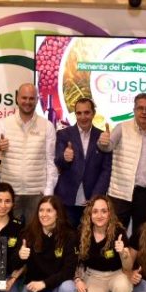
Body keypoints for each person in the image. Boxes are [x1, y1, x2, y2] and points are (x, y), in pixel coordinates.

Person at [98, 93, 146, 236]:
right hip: (120, 193)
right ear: (134, 110)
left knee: (141, 237)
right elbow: (107, 147)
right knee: (115, 235)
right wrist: (102, 142)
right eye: (140, 108)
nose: (144, 112)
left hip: (145, 194)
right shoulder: (122, 128)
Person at [0, 83, 57, 222]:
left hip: (37, 194)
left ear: (37, 100)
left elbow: (50, 162)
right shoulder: (4, 123)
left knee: (34, 234)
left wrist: (48, 193)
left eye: (31, 98)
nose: (27, 102)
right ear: (17, 98)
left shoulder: (47, 126)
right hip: (10, 194)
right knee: (10, 233)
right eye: (24, 98)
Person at [13, 196, 78, 292]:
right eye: (41, 210)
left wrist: (44, 283)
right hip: (33, 286)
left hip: (57, 285)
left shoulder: (69, 235)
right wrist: (20, 256)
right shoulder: (27, 233)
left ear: (58, 213)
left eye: (49, 210)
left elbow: (69, 271)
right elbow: (15, 264)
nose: (44, 214)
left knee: (69, 289)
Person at [74, 196, 133, 292]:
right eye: (95, 212)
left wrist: (123, 253)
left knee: (124, 286)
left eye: (103, 211)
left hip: (116, 274)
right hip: (93, 276)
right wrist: (78, 279)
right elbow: (77, 261)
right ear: (90, 214)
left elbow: (128, 267)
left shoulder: (119, 231)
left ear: (109, 213)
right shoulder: (82, 232)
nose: (99, 215)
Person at [54, 98, 112, 228]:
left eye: (87, 112)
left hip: (92, 202)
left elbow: (106, 170)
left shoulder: (102, 137)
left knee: (89, 237)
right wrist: (65, 158)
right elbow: (58, 161)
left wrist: (96, 197)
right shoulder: (63, 134)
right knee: (67, 237)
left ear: (93, 113)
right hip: (67, 200)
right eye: (79, 113)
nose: (83, 117)